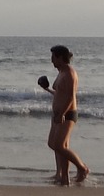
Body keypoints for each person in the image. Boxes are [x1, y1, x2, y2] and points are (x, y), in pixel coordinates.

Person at [38, 45, 90, 185]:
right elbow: (60, 94)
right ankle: (62, 176)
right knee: (54, 144)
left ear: (60, 57)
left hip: (67, 114)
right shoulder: (61, 72)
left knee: (60, 145)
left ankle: (82, 168)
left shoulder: (70, 74)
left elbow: (71, 97)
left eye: (53, 57)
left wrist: (62, 113)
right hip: (58, 114)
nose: (51, 61)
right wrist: (47, 89)